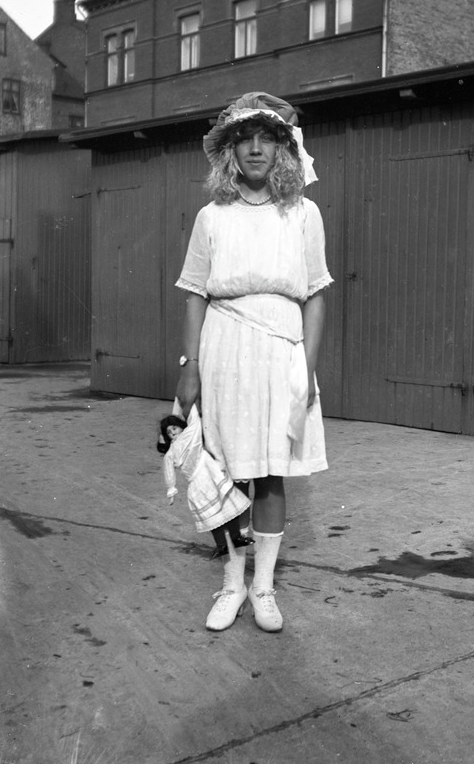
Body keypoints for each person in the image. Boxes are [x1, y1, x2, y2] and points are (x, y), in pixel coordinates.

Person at [175, 91, 333, 633]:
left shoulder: (304, 213)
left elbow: (316, 295)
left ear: (285, 149)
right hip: (223, 350)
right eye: (245, 139)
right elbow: (195, 293)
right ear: (231, 151)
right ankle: (232, 584)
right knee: (222, 473)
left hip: (281, 353)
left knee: (269, 474)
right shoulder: (211, 216)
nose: (257, 149)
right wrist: (190, 366)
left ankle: (263, 587)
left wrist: (307, 367)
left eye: (268, 138)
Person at [157, 410, 255, 558]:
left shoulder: (190, 434)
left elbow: (195, 421)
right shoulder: (171, 452)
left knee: (228, 505)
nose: (172, 433)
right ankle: (221, 544)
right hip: (199, 482)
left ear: (181, 427)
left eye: (174, 428)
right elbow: (168, 469)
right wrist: (171, 488)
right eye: (169, 432)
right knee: (213, 516)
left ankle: (236, 537)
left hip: (211, 474)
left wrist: (192, 406)